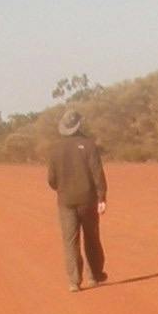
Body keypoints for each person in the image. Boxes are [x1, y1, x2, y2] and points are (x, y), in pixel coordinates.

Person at [47, 107, 108, 290]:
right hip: (88, 200)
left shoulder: (55, 149)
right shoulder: (89, 145)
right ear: (78, 125)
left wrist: (62, 189)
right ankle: (94, 275)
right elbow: (97, 174)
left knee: (70, 241)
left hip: (65, 201)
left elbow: (51, 179)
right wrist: (102, 197)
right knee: (91, 237)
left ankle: (74, 281)